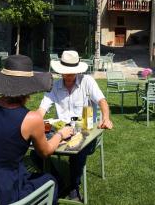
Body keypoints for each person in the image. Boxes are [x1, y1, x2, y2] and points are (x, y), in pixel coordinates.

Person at [0, 55, 73, 205]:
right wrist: (60, 134)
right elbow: (45, 152)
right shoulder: (32, 118)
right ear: (29, 88)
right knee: (50, 181)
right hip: (2, 194)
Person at [37, 50, 113, 201]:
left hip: (86, 129)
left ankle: (73, 187)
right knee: (36, 151)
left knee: (78, 150)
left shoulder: (87, 81)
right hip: (63, 131)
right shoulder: (55, 86)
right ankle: (58, 180)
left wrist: (106, 118)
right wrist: (32, 121)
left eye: (71, 72)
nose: (68, 75)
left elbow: (102, 101)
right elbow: (41, 110)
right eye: (65, 72)